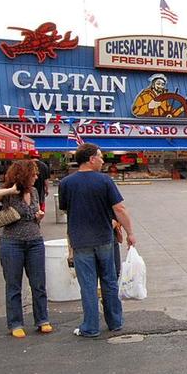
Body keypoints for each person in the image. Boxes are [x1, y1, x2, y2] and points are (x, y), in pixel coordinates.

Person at [59, 143, 137, 338]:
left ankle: (90, 327)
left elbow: (66, 209)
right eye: (100, 157)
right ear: (91, 159)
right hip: (104, 238)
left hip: (80, 241)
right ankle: (115, 322)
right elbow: (119, 209)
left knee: (88, 285)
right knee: (109, 281)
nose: (103, 160)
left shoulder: (66, 183)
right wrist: (130, 232)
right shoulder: (105, 181)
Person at [0, 159, 51, 339]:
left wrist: (38, 216)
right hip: (12, 242)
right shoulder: (8, 193)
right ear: (23, 175)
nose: (36, 177)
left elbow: (33, 214)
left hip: (35, 240)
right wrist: (10, 190)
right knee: (13, 284)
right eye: (33, 174)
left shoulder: (35, 192)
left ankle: (42, 319)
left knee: (39, 283)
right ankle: (15, 323)